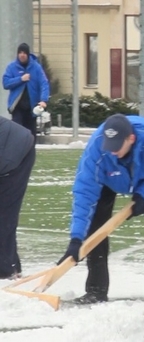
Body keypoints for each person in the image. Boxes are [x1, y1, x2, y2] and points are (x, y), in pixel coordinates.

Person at [58, 113, 144, 304]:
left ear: (130, 139)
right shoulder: (97, 150)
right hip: (108, 180)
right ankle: (95, 291)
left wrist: (143, 195)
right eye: (110, 146)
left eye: (117, 146)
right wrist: (76, 239)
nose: (112, 151)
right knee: (95, 231)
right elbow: (84, 194)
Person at [0, 116, 36, 279]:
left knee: (5, 214)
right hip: (6, 149)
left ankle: (6, 273)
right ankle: (13, 265)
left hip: (17, 151)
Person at [2, 43, 50, 141]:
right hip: (17, 107)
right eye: (20, 52)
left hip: (32, 108)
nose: (22, 55)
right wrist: (20, 79)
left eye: (24, 52)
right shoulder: (12, 67)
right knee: (16, 133)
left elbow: (44, 83)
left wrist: (43, 100)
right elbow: (6, 83)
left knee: (31, 134)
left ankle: (30, 154)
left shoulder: (36, 67)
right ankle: (16, 154)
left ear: (28, 54)